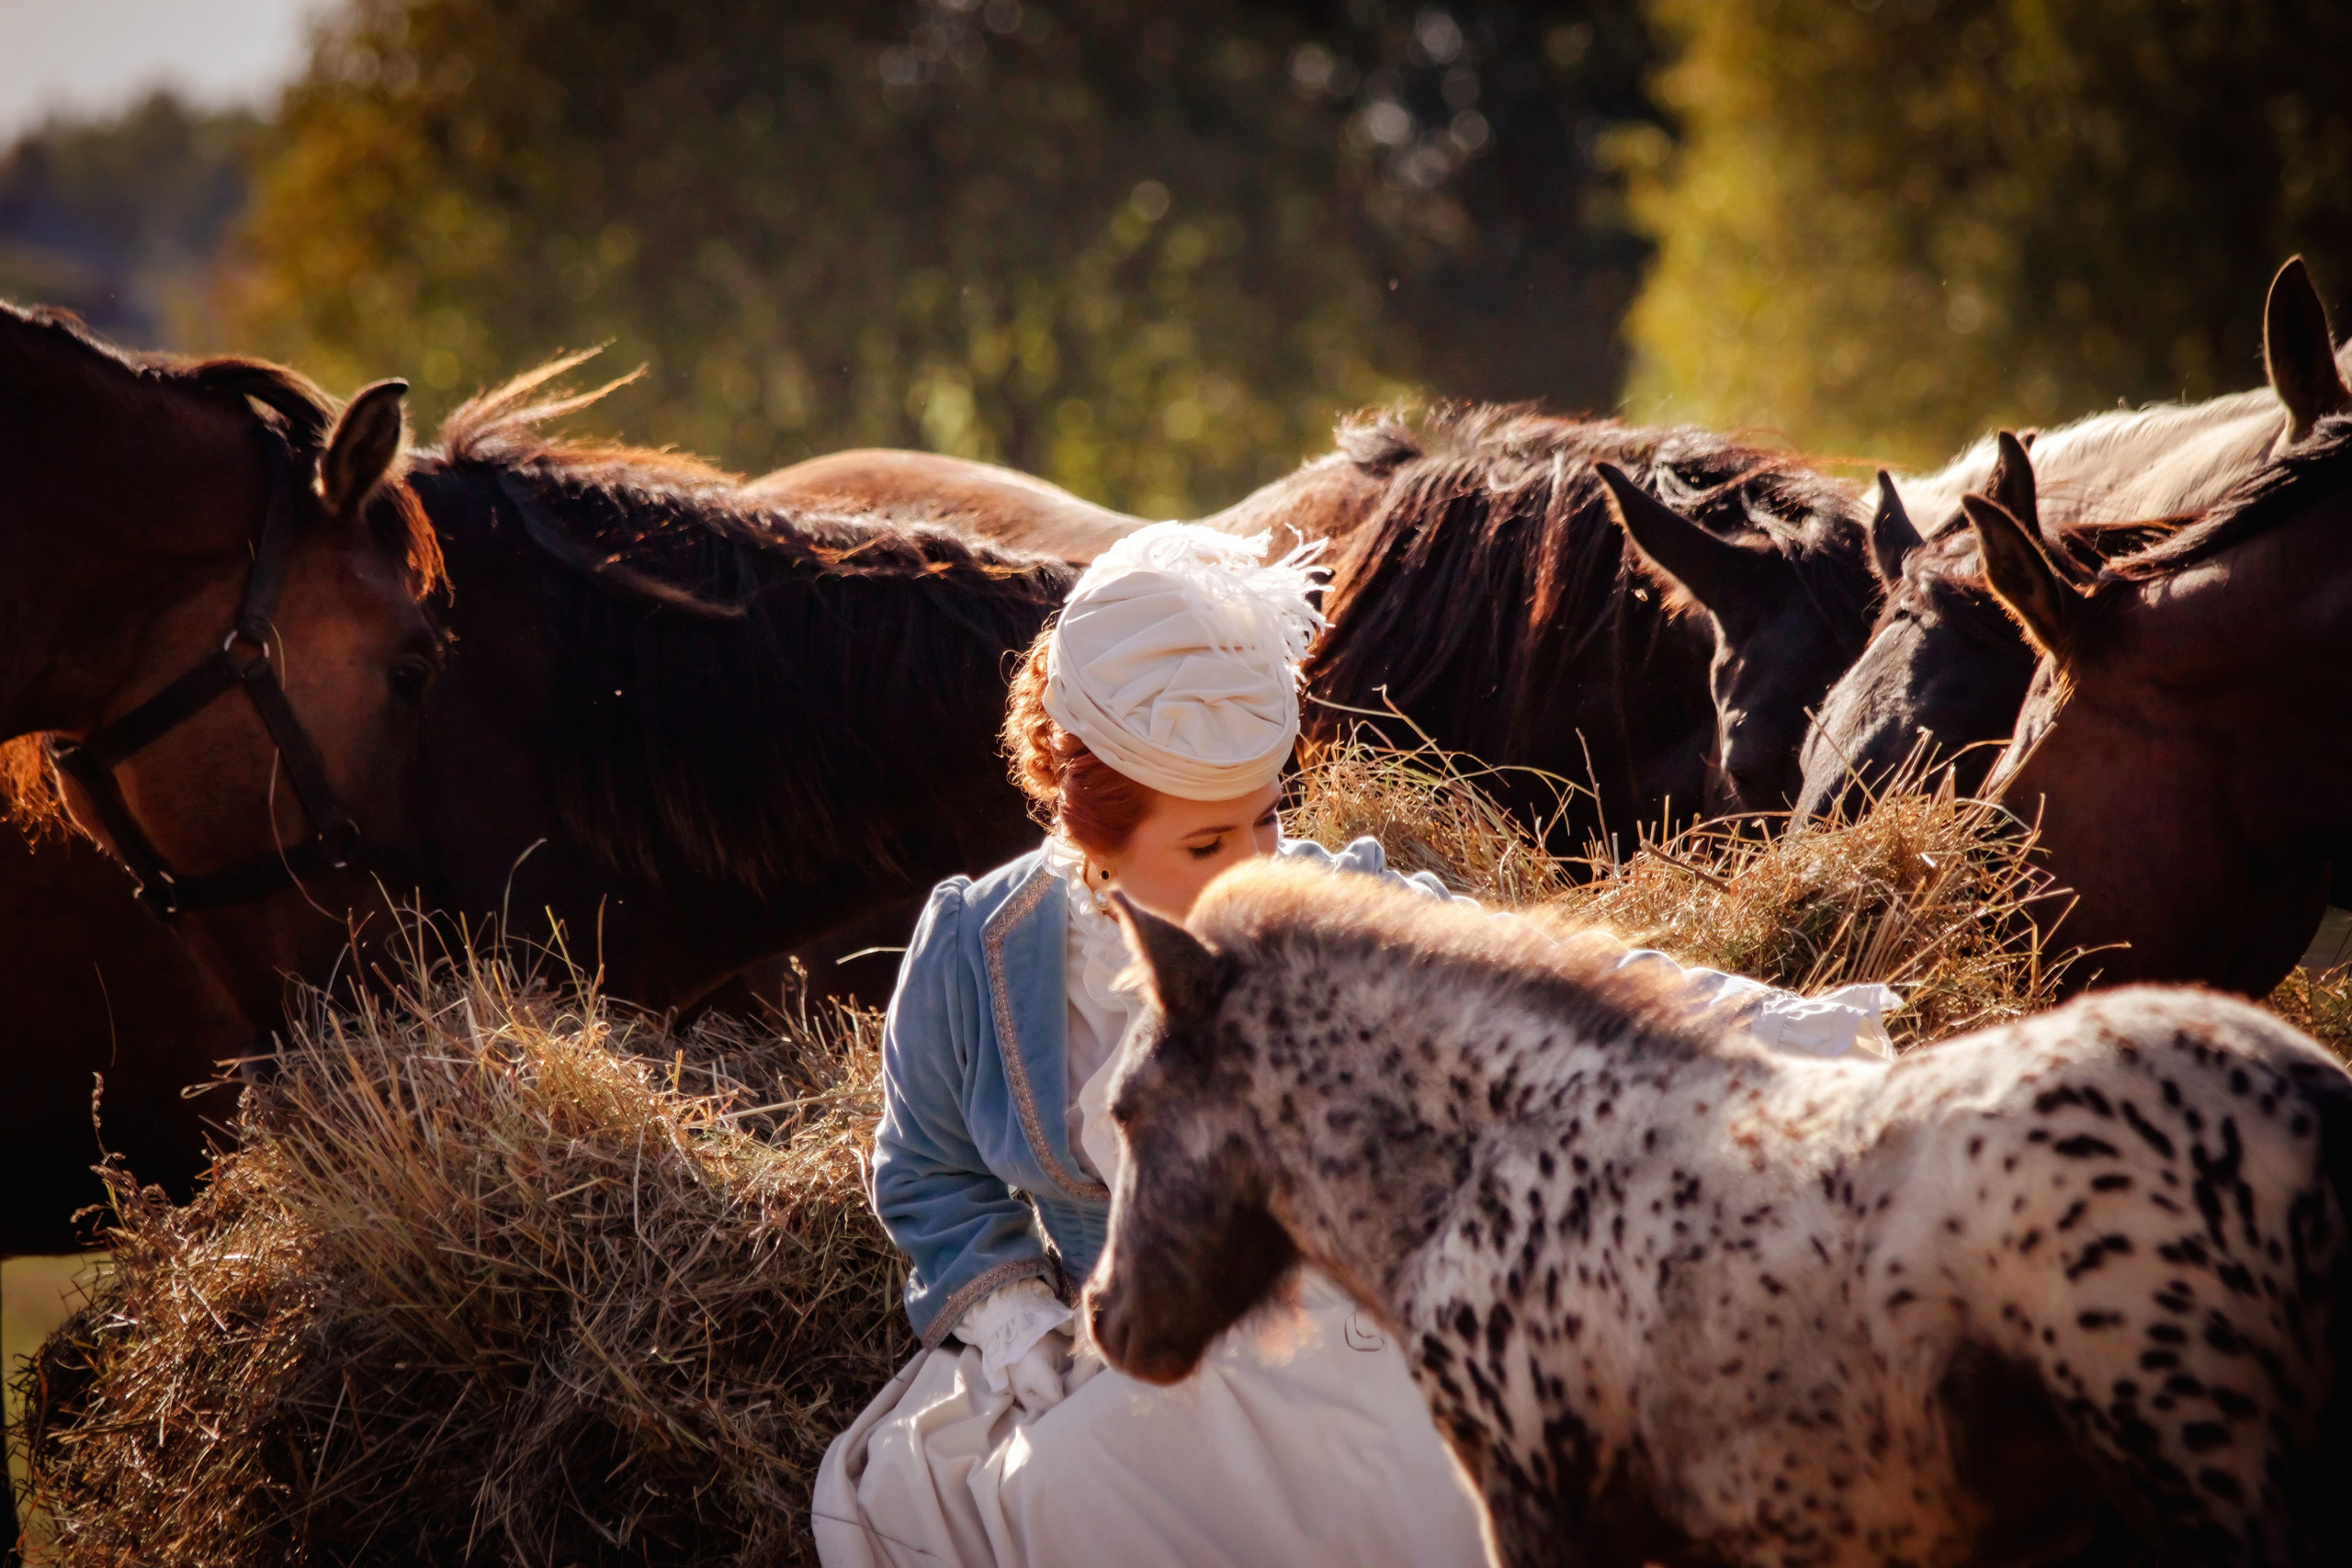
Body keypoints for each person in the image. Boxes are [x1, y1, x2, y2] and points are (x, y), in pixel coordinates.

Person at [812, 524, 1895, 1568]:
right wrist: (1011, 1317)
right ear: (1090, 826)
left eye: (1265, 821)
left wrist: (1765, 1024)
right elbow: (930, 1168)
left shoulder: (1337, 909)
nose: (1250, 865)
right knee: (1055, 1486)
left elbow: (1545, 979)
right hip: (1140, 1342)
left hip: (1339, 1339)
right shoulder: (975, 953)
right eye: (1202, 842)